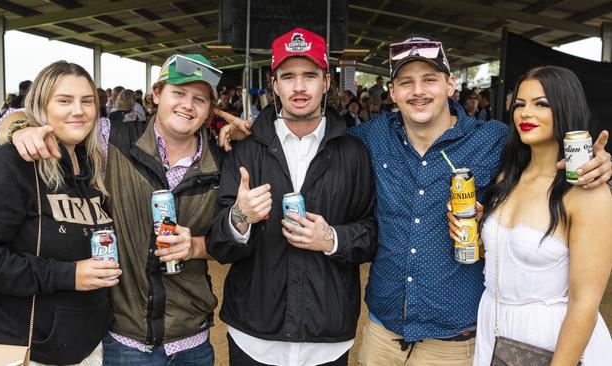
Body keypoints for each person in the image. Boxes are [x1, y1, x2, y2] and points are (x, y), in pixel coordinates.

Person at [215, 35, 612, 365]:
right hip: (381, 336)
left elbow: (542, 150)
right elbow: (311, 135)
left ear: (450, 84)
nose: (418, 91)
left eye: (430, 79)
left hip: (455, 342)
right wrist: (257, 130)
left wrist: (597, 162)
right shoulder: (368, 139)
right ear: (391, 92)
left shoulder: (492, 141)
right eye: (406, 82)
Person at [0, 54, 226, 366]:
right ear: (157, 94)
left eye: (200, 98)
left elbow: (229, 242)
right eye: (179, 93)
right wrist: (22, 130)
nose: (188, 105)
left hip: (193, 339)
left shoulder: (222, 161)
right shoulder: (112, 138)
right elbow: (17, 117)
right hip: (124, 338)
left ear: (210, 109)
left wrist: (195, 246)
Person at [207, 27, 377, 366]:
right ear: (274, 83)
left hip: (326, 338)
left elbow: (371, 233)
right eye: (288, 76)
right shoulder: (245, 150)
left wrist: (331, 238)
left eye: (310, 75)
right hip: (254, 337)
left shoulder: (354, 152)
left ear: (327, 82)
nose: (299, 87)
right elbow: (219, 245)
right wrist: (239, 218)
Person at [0, 61, 120, 365]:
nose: (79, 110)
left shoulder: (93, 169)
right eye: (64, 100)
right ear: (40, 106)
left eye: (87, 101)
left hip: (80, 348)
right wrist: (67, 275)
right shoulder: (9, 165)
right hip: (11, 346)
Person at [469, 66, 612, 365]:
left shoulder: (587, 192)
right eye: (519, 104)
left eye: (541, 104)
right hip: (494, 329)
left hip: (552, 339)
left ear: (564, 108)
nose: (525, 113)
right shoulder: (506, 177)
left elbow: (585, 303)